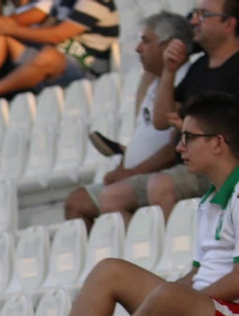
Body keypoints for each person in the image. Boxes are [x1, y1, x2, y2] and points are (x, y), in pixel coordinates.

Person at [0, 93, 239, 316]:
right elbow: (198, 273)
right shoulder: (210, 199)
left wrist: (180, 303)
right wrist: (171, 304)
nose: (179, 147)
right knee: (109, 271)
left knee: (169, 296)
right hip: (206, 315)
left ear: (217, 143)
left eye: (188, 138)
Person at [64, 12, 193, 225]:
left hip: (157, 177)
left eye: (145, 41)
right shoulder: (155, 83)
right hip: (137, 176)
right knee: (77, 202)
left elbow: (175, 148)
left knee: (109, 200)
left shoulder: (186, 82)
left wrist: (130, 173)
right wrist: (122, 168)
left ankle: (138, 256)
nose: (137, 48)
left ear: (168, 45)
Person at [146, 0, 239, 216]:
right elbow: (160, 121)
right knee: (110, 198)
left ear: (229, 24)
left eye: (203, 15)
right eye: (195, 13)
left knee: (160, 185)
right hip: (191, 167)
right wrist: (169, 71)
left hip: (225, 169)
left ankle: (178, 249)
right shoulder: (198, 67)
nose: (194, 21)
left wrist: (199, 129)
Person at [0, 0, 121, 115]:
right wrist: (5, 27)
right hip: (52, 59)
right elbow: (46, 30)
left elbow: (57, 35)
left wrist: (13, 28)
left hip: (84, 69)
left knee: (49, 55)